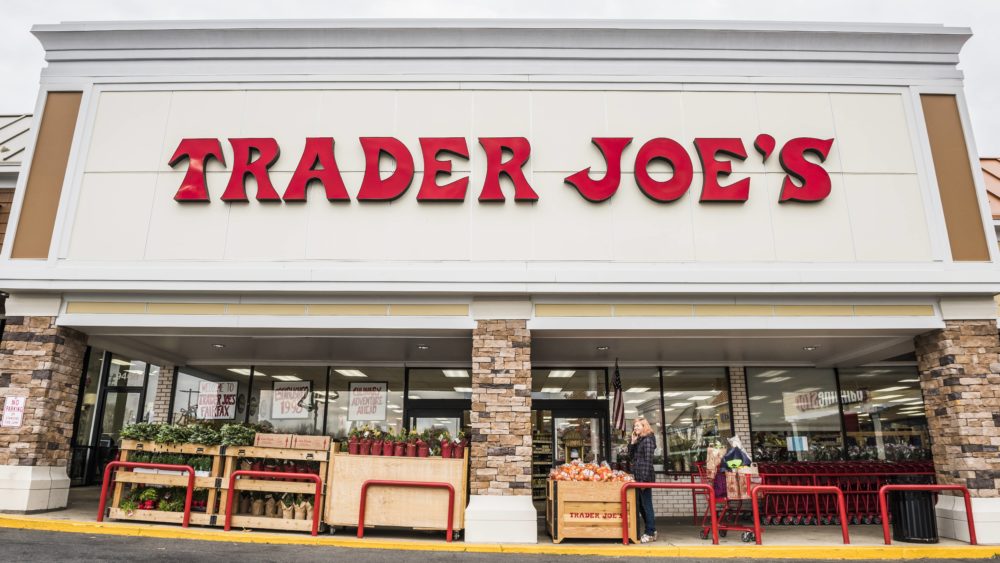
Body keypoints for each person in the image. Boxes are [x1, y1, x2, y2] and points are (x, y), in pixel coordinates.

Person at [628, 417, 657, 543]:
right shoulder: (640, 440)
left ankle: (650, 532)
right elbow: (631, 457)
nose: (635, 428)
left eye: (638, 426)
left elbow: (648, 461)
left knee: (647, 505)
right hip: (638, 478)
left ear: (644, 426)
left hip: (644, 478)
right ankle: (652, 530)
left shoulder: (648, 440)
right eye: (635, 426)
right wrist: (632, 443)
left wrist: (644, 481)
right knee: (640, 505)